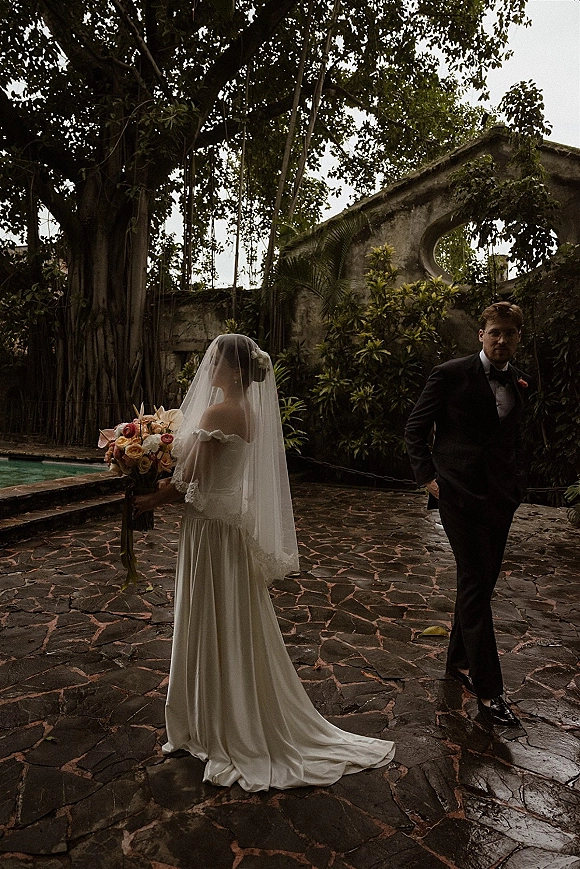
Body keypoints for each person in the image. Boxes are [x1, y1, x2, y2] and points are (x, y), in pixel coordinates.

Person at [135, 334, 394, 791]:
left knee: (209, 618)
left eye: (214, 362)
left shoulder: (219, 412)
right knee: (231, 622)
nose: (207, 369)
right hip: (224, 529)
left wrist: (146, 500)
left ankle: (219, 722)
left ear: (235, 371)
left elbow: (188, 481)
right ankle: (223, 709)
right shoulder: (248, 413)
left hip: (211, 532)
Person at [404, 302, 532, 728]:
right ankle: (490, 690)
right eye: (494, 332)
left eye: (509, 334)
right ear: (481, 334)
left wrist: (516, 484)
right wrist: (428, 478)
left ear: (517, 337)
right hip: (457, 493)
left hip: (500, 497)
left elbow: (512, 438)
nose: (501, 340)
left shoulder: (521, 380)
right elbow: (415, 428)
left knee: (482, 582)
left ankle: (458, 659)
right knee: (476, 581)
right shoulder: (450, 374)